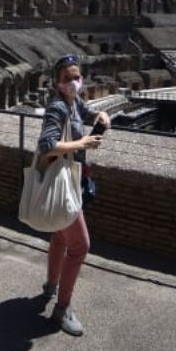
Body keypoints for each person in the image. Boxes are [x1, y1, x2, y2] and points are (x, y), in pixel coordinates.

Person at [35, 54, 110, 336]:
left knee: (58, 236)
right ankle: (62, 309)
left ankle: (51, 287)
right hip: (62, 182)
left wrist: (98, 116)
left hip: (72, 177)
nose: (73, 83)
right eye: (67, 78)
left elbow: (83, 111)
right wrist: (83, 142)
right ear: (57, 82)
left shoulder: (73, 101)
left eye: (77, 77)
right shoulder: (56, 107)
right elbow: (47, 145)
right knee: (80, 246)